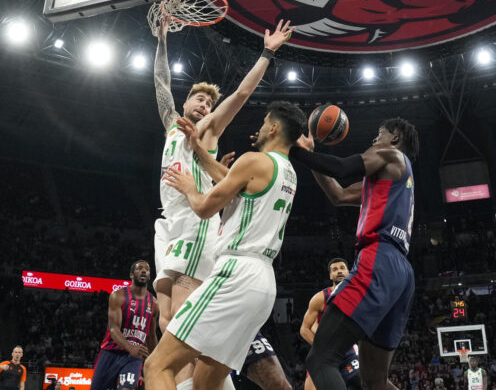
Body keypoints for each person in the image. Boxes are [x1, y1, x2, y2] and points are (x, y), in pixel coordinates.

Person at [144, 101, 306, 390]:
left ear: (274, 127)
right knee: (206, 384)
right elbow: (236, 184)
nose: (258, 128)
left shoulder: (253, 160)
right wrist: (199, 150)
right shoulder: (288, 172)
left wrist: (189, 187)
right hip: (264, 285)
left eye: (264, 121)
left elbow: (205, 207)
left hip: (235, 271)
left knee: (157, 365)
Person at [289, 117, 419, 390]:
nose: (373, 140)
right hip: (402, 273)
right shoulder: (395, 178)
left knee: (321, 359)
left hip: (379, 259)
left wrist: (293, 149)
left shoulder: (389, 154)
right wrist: (310, 155)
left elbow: (342, 167)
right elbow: (338, 195)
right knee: (374, 381)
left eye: (379, 134)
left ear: (394, 138)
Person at [90, 261, 158, 390]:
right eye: (139, 269)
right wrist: (130, 347)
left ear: (149, 276)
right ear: (132, 275)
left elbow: (151, 335)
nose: (144, 271)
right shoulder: (117, 296)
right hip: (111, 353)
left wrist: (158, 358)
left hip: (133, 357)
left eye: (147, 269)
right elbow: (114, 329)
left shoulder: (154, 303)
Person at [300, 259, 360, 390]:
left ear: (348, 272)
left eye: (342, 268)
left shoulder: (358, 296)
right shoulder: (320, 297)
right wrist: (322, 348)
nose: (339, 271)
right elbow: (304, 329)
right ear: (330, 276)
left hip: (348, 351)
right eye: (335, 269)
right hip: (325, 354)